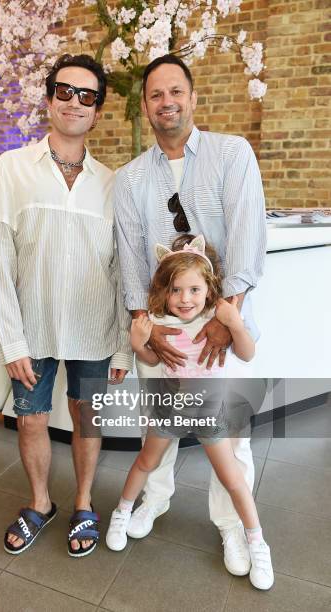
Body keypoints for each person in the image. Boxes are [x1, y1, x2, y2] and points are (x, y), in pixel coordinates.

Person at [113, 53, 266, 577]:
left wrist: (230, 316)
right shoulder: (130, 178)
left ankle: (233, 526)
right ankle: (154, 499)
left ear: (193, 97)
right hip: (161, 326)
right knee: (158, 422)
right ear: (146, 106)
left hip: (222, 320)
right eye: (156, 95)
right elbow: (131, 252)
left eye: (175, 91)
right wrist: (143, 320)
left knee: (229, 431)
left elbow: (248, 235)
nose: (166, 102)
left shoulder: (231, 154)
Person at [0, 54, 132, 558]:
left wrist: (121, 350)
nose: (75, 102)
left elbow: (121, 272)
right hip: (33, 327)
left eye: (87, 96)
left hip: (95, 327)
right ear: (49, 98)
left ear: (98, 111)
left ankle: (85, 504)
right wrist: (10, 341)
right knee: (30, 418)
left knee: (88, 419)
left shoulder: (113, 184)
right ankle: (41, 503)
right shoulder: (12, 169)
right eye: (65, 91)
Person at [106, 235, 274, 590]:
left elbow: (246, 354)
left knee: (233, 479)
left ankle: (257, 543)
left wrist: (236, 322)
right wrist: (139, 343)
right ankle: (121, 513)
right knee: (144, 463)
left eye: (195, 290)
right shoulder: (157, 320)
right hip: (169, 412)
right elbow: (153, 359)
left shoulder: (219, 318)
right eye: (177, 290)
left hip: (210, 415)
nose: (186, 299)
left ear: (209, 289)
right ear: (165, 292)